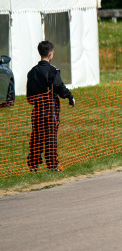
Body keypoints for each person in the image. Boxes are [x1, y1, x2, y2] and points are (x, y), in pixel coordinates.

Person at [26, 40, 75, 172]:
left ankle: (33, 165)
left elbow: (29, 95)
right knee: (50, 137)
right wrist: (70, 96)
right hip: (50, 109)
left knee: (36, 136)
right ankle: (52, 165)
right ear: (50, 54)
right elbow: (59, 87)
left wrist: (36, 101)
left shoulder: (32, 72)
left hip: (37, 109)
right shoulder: (53, 70)